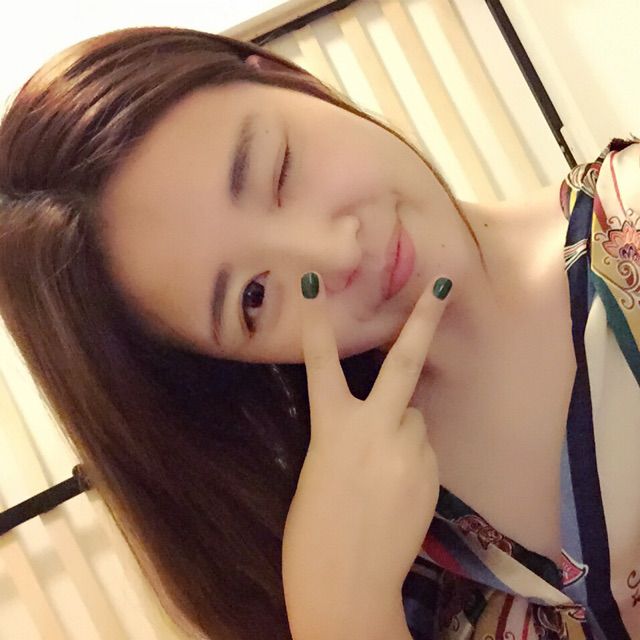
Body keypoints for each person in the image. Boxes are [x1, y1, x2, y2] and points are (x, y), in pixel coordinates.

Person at [0, 25, 637, 640]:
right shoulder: (340, 527)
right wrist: (340, 611)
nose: (337, 253)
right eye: (254, 296)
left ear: (290, 81)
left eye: (278, 170)